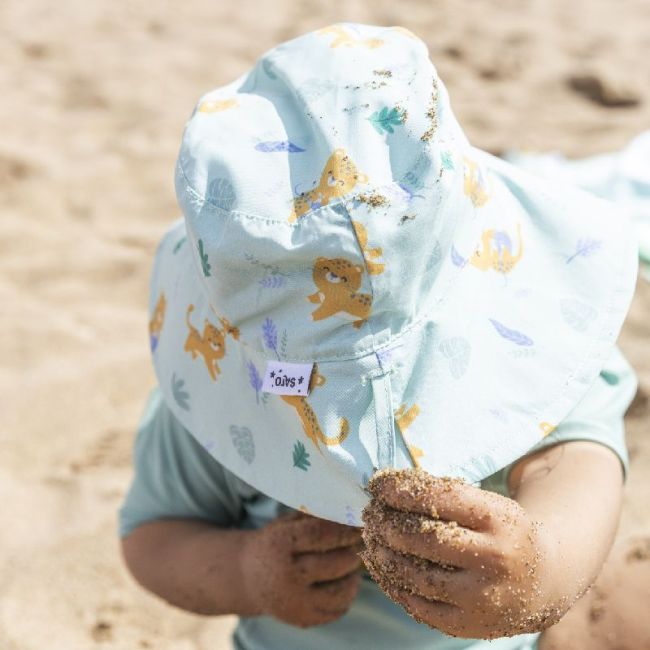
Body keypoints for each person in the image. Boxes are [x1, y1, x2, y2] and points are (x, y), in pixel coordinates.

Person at [118, 23, 649, 649]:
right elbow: (153, 537)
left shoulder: (531, 353)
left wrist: (540, 569)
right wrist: (246, 572)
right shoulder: (218, 400)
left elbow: (580, 464)